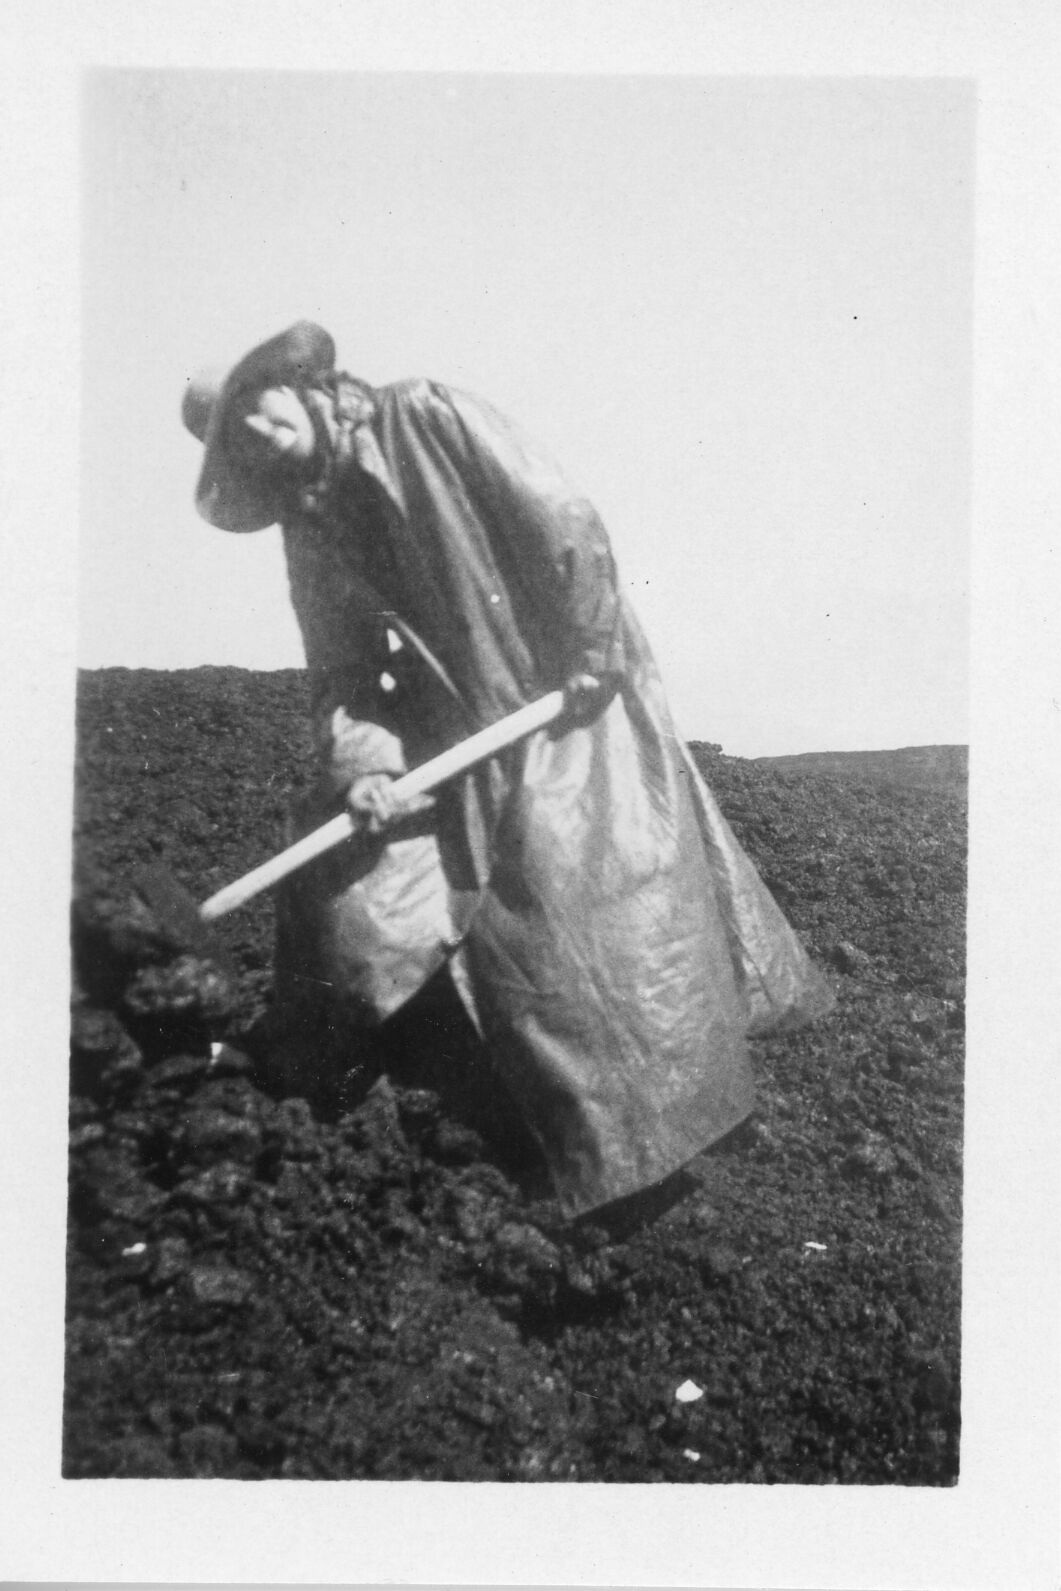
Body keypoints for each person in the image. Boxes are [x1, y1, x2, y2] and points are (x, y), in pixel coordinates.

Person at [182, 321, 833, 1220]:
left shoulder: (421, 416)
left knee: (581, 897)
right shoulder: (310, 525)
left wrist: (590, 644)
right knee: (352, 889)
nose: (256, 430)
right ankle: (336, 1074)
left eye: (253, 404)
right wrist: (366, 768)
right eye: (233, 437)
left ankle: (650, 1137)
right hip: (449, 726)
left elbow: (556, 516)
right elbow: (342, 672)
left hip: (561, 687)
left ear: (290, 383)